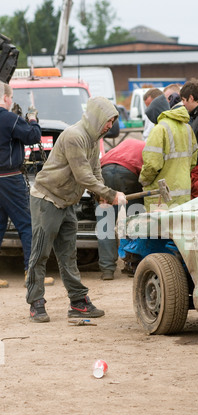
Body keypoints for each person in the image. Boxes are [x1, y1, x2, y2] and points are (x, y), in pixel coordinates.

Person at [26, 96, 127, 323]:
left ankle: (78, 302)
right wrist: (112, 195)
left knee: (69, 256)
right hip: (47, 199)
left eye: (112, 121)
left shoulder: (92, 139)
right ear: (96, 117)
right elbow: (83, 175)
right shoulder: (74, 136)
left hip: (67, 202)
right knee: (40, 254)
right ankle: (36, 302)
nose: (110, 126)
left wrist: (100, 195)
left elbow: (95, 171)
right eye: (108, 120)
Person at [0, 81, 54, 288]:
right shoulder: (9, 119)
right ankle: (31, 273)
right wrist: (32, 119)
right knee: (27, 224)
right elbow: (33, 136)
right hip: (10, 179)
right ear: (5, 98)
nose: (11, 101)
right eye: (11, 97)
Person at [96, 138, 146, 280]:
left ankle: (107, 269)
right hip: (128, 174)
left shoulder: (120, 147)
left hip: (105, 171)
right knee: (134, 220)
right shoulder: (146, 148)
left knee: (105, 223)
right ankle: (133, 263)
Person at [139, 93, 198, 211]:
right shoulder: (187, 128)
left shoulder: (159, 129)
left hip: (161, 197)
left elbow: (152, 164)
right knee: (180, 227)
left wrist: (143, 180)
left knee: (159, 228)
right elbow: (193, 161)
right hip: (183, 193)